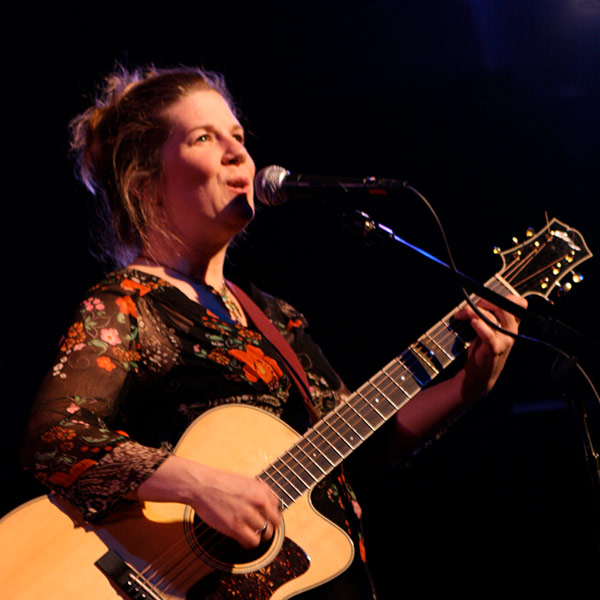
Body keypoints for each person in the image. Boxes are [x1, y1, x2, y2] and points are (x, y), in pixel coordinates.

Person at [19, 64, 526, 599]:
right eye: (204, 138)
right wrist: (200, 486)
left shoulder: (275, 316)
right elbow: (56, 438)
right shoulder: (127, 301)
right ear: (146, 184)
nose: (237, 153)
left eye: (238, 136)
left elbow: (356, 451)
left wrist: (468, 387)